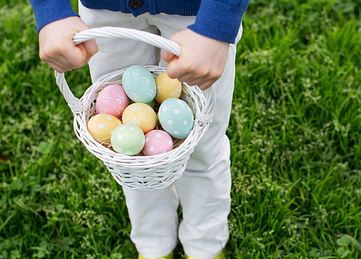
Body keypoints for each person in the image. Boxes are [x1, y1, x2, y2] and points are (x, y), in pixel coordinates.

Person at [29, 0, 249, 258]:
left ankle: (205, 243)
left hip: (198, 14)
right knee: (130, 154)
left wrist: (217, 24)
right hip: (106, 11)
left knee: (201, 143)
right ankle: (153, 242)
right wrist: (50, 10)